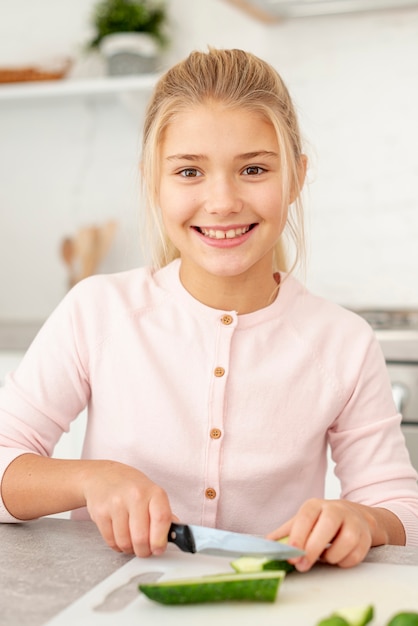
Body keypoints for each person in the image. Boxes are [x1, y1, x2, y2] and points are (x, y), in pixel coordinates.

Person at [0, 48, 417, 574]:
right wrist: (90, 477)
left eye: (254, 169)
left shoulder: (345, 343)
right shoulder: (97, 311)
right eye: (190, 171)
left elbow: (402, 509)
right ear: (154, 179)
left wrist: (363, 519)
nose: (222, 201)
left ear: (295, 177)